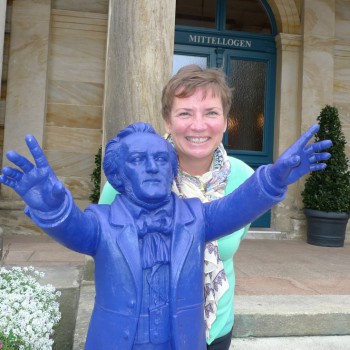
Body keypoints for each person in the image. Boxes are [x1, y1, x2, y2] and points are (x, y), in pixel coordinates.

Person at [0, 122, 331, 349]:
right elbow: (73, 229)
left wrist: (274, 178)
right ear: (117, 175)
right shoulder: (102, 222)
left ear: (172, 169)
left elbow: (237, 206)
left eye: (161, 159)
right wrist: (54, 207)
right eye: (138, 160)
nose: (153, 166)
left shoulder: (195, 216)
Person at [98, 65, 271, 348]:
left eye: (211, 113)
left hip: (213, 331)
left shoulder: (244, 180)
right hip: (147, 334)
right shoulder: (129, 177)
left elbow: (232, 244)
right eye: (185, 113)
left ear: (226, 121)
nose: (198, 125)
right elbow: (104, 252)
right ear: (167, 121)